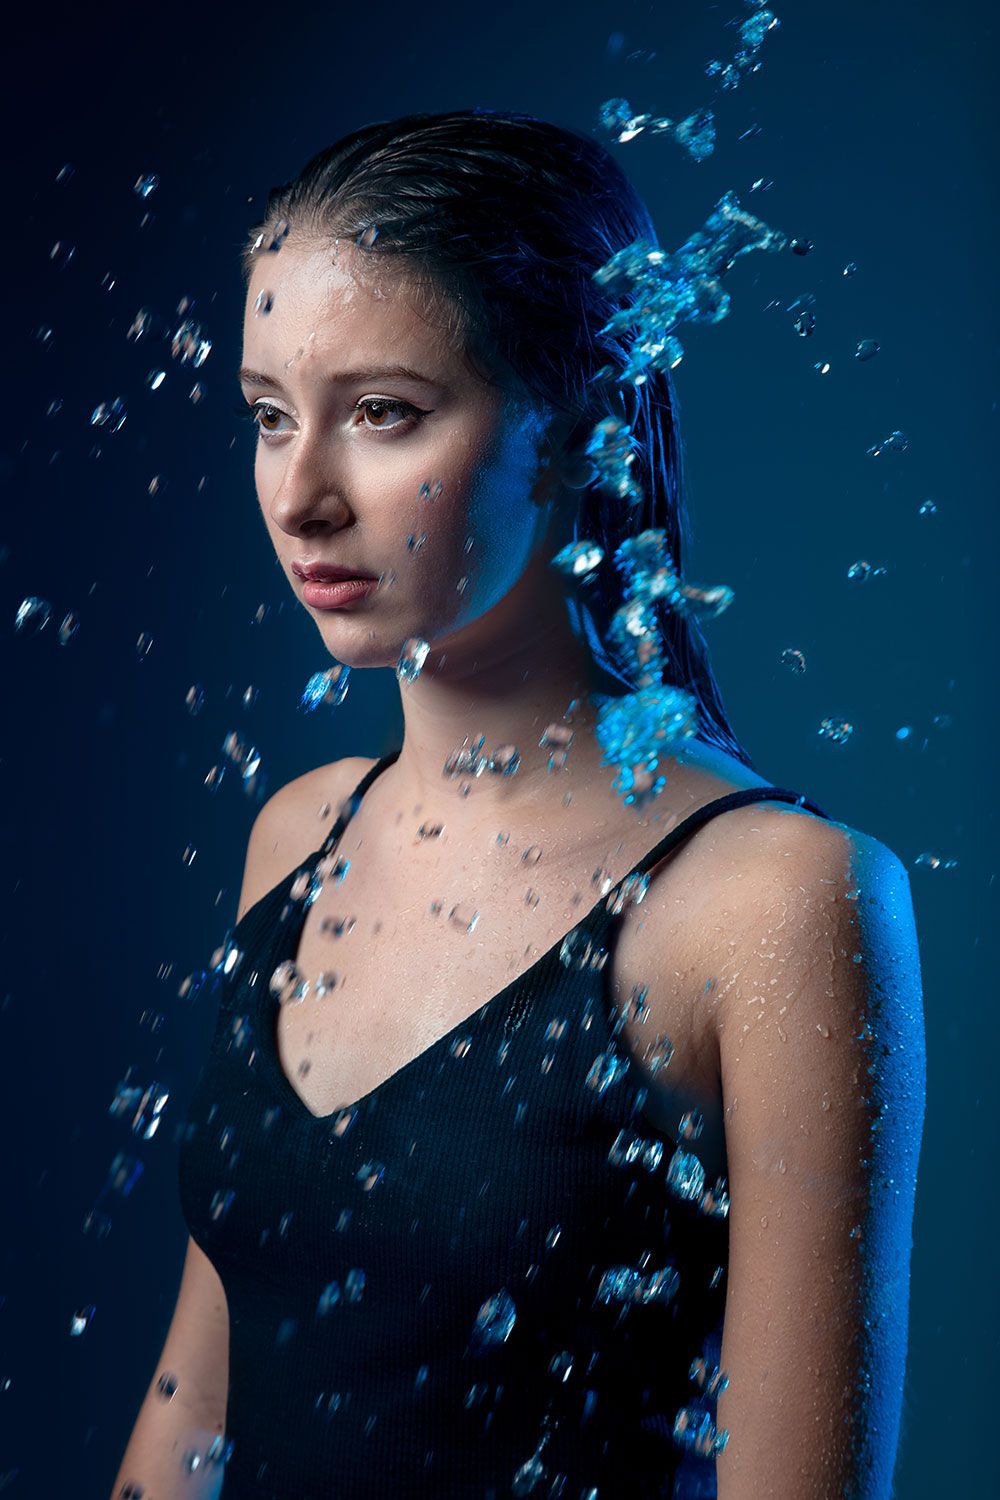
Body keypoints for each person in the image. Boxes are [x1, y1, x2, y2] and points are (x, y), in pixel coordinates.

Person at [112, 109, 926, 1500]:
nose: (301, 496)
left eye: (383, 413)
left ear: (578, 416)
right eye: (266, 418)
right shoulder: (297, 841)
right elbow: (197, 1411)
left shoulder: (772, 902)